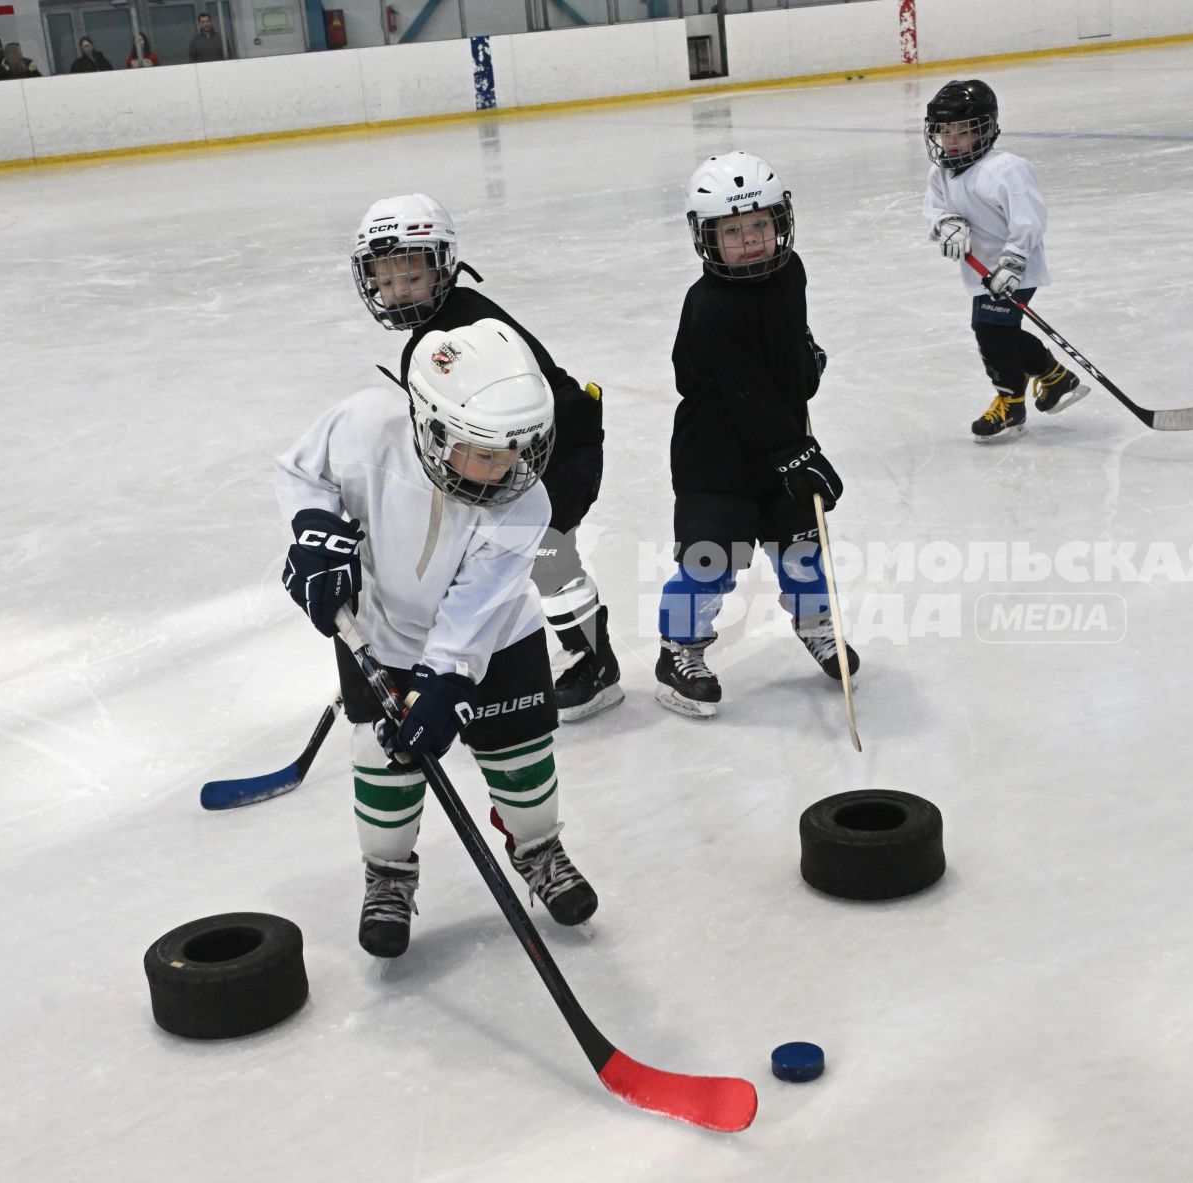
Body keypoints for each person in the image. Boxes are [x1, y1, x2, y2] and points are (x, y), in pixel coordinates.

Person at [276, 318, 599, 958]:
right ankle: (389, 876)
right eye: (481, 452)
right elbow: (303, 473)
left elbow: (472, 612)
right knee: (385, 764)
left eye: (517, 451)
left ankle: (538, 849)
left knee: (521, 758)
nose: (502, 471)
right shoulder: (366, 424)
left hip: (498, 638)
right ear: (428, 423)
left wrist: (445, 683)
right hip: (383, 631)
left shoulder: (524, 505)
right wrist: (315, 534)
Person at [351, 194, 623, 723]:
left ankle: (595, 665)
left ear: (443, 267)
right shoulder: (436, 332)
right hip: (519, 459)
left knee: (547, 557)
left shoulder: (458, 332)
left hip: (557, 456)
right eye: (385, 280)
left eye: (410, 277)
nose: (397, 292)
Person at [656, 150, 858, 718]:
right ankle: (678, 651)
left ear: (780, 223)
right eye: (734, 230)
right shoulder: (710, 306)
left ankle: (818, 627)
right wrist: (796, 454)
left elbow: (787, 346)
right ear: (707, 237)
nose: (751, 240)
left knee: (801, 550)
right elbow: (742, 391)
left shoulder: (790, 272)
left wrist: (803, 360)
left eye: (760, 226)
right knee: (709, 562)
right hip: (716, 456)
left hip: (776, 440)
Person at [921, 79, 1088, 442]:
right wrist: (945, 224)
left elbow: (1029, 218)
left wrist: (1013, 261)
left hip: (1016, 270)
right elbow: (935, 209)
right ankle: (1056, 378)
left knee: (991, 334)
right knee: (1000, 333)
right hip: (982, 272)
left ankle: (1011, 403)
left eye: (962, 132)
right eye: (945, 131)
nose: (951, 140)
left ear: (984, 131)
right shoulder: (942, 173)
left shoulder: (1007, 170)